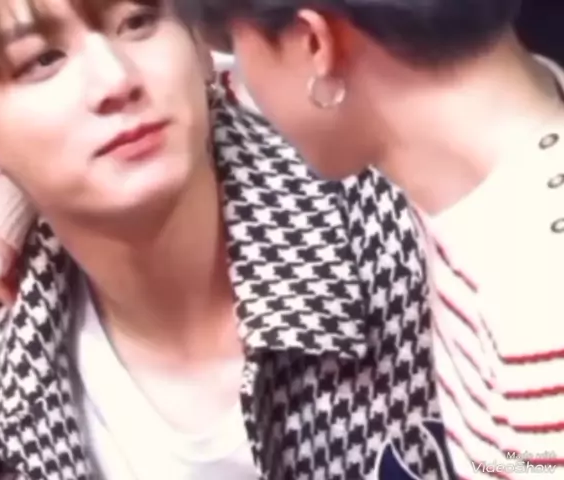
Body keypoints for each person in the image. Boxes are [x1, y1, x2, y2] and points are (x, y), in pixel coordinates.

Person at [0, 0, 445, 478]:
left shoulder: (413, 232)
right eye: (43, 60)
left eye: (137, 22)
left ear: (199, 41)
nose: (115, 80)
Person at [167, 0, 564, 476]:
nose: (241, 81)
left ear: (314, 44)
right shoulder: (480, 176)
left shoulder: (540, 308)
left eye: (235, 48)